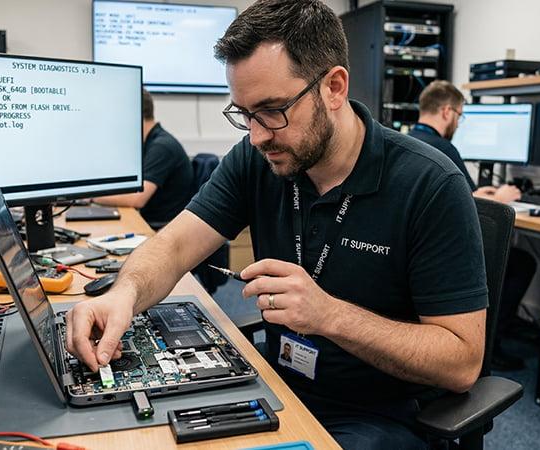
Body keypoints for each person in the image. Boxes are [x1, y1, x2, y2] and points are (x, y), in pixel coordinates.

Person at [67, 1, 488, 448]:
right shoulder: (257, 159)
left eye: (271, 110)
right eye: (244, 114)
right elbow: (173, 246)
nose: (256, 135)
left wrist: (330, 316)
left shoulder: (430, 184)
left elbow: (461, 363)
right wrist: (123, 295)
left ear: (334, 87)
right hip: (274, 384)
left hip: (380, 416)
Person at [409, 80, 537, 370]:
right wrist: (502, 198)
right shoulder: (443, 147)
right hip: (443, 257)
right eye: (460, 116)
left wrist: (480, 193)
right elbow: (467, 205)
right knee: (523, 263)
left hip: (415, 251)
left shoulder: (406, 141)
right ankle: (494, 341)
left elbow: (460, 195)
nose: (458, 123)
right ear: (446, 112)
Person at [95, 88, 194, 226]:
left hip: (160, 227)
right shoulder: (149, 142)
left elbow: (137, 199)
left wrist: (91, 197)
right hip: (151, 223)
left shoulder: (161, 147)